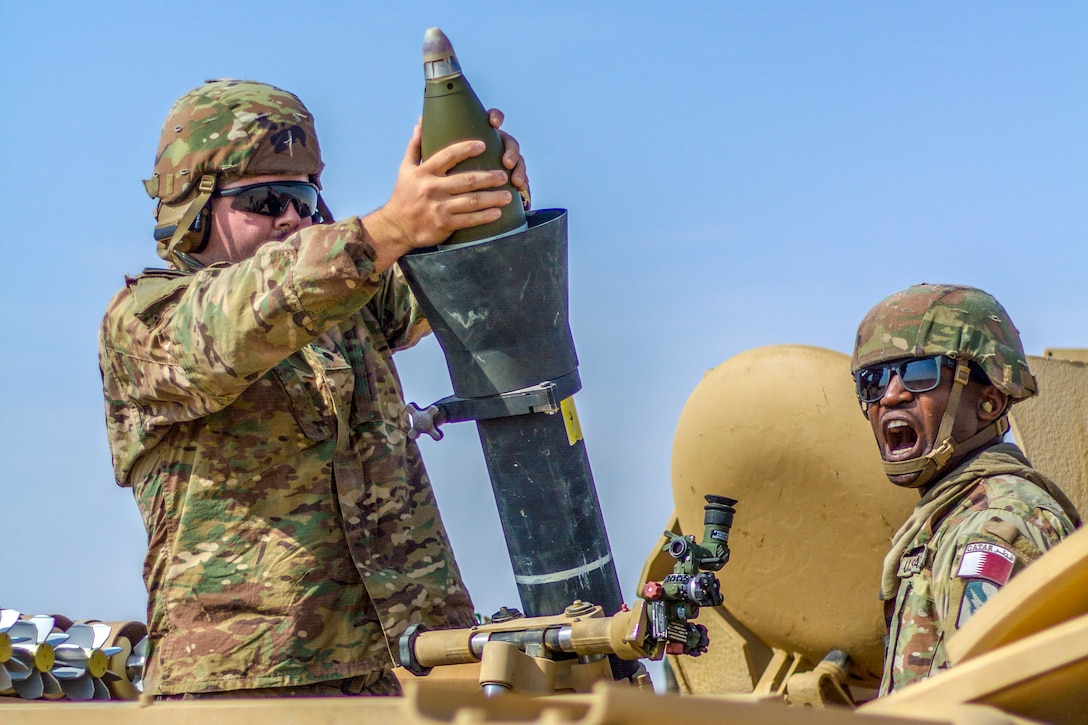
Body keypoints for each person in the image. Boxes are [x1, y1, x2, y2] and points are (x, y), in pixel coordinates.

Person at [98, 79, 530, 698]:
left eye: (303, 197)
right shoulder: (146, 324)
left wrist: (482, 196)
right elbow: (245, 315)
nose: (293, 218)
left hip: (406, 669)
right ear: (193, 207)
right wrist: (390, 226)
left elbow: (449, 278)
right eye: (267, 199)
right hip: (248, 689)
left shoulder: (342, 306)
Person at [849, 283, 1081, 695]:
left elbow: (996, 702)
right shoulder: (948, 518)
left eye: (921, 373)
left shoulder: (990, 526)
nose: (891, 394)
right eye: (873, 380)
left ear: (989, 401)